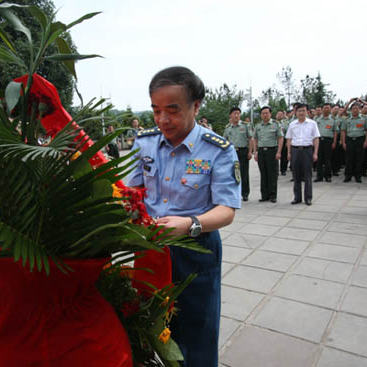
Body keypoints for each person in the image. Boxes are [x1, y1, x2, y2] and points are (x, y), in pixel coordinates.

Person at [127, 66, 240, 367]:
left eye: (172, 110)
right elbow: (131, 191)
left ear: (196, 105)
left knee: (197, 335)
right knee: (148, 329)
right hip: (151, 249)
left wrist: (190, 224)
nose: (163, 120)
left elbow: (226, 210)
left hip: (195, 250)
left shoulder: (218, 150)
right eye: (156, 110)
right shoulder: (145, 142)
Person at [286, 103, 320, 205]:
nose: (301, 113)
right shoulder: (292, 124)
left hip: (307, 150)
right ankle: (297, 197)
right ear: (296, 112)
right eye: (299, 111)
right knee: (296, 175)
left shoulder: (312, 124)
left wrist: (315, 153)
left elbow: (316, 139)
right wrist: (289, 152)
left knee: (308, 175)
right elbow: (289, 139)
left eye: (303, 111)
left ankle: (308, 198)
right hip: (295, 150)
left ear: (307, 112)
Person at [254, 106, 283, 203]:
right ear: (261, 115)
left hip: (272, 151)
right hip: (261, 152)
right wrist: (255, 152)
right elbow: (255, 139)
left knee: (272, 174)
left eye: (267, 113)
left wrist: (279, 151)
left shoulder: (275, 124)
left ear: (270, 114)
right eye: (263, 113)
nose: (265, 115)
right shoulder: (258, 126)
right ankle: (264, 195)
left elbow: (280, 138)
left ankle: (273, 195)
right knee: (263, 173)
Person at [224, 107, 252, 201]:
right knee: (232, 173)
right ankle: (233, 193)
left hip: (243, 151)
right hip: (231, 152)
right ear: (230, 115)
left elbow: (250, 139)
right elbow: (225, 141)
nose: (236, 115)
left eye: (238, 113)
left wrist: (250, 151)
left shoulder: (245, 126)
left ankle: (245, 193)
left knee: (244, 173)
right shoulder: (227, 128)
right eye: (234, 113)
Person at [341, 102, 367, 183]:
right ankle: (348, 175)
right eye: (353, 109)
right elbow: (343, 131)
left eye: (357, 108)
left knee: (359, 158)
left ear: (360, 110)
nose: (355, 110)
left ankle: (358, 176)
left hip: (360, 139)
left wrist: (366, 141)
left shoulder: (364, 119)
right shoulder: (346, 119)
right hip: (349, 140)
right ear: (351, 110)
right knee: (348, 158)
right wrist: (343, 142)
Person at [315, 103, 336, 182]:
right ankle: (319, 176)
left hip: (328, 141)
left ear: (330, 109)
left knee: (328, 159)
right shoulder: (317, 120)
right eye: (325, 108)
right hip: (319, 140)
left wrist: (334, 142)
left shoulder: (332, 120)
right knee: (319, 159)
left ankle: (328, 176)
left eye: (328, 108)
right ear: (322, 109)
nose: (326, 109)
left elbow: (335, 132)